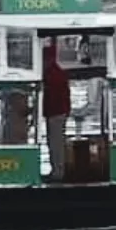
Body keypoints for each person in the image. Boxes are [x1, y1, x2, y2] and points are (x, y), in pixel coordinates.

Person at [40, 39, 73, 180]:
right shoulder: (56, 73)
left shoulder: (53, 74)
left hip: (56, 112)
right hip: (57, 112)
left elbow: (51, 96)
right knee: (53, 142)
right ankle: (56, 170)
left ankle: (58, 172)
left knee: (55, 143)